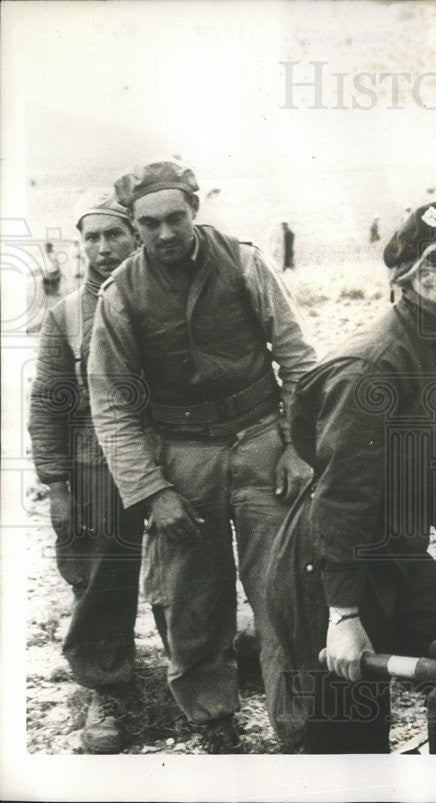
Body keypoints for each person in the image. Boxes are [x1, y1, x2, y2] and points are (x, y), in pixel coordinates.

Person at [88, 161, 317, 752]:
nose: (165, 234)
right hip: (181, 459)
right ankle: (213, 724)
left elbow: (296, 359)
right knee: (189, 598)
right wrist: (151, 491)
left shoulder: (242, 263)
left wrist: (297, 446)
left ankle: (300, 727)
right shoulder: (119, 297)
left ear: (194, 210)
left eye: (176, 219)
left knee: (284, 592)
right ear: (133, 226)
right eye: (149, 223)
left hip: (262, 444)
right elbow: (110, 403)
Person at [266, 197, 436, 753]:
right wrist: (343, 615)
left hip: (395, 549)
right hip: (327, 562)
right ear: (430, 272)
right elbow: (343, 502)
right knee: (348, 728)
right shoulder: (373, 368)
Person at [28, 190, 143, 753]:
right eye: (91, 237)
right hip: (96, 459)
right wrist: (56, 483)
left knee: (193, 571)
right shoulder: (66, 314)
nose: (102, 248)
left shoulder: (164, 299)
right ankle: (106, 683)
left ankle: (202, 679)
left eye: (114, 234)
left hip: (171, 450)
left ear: (137, 235)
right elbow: (49, 401)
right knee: (99, 575)